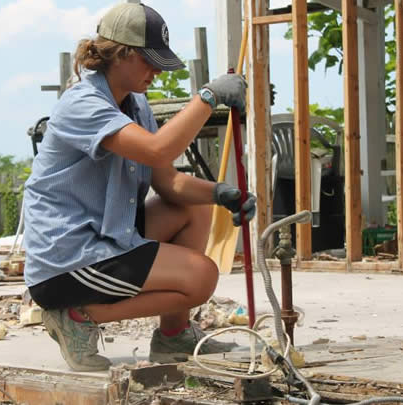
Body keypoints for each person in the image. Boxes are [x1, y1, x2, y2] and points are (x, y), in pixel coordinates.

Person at [22, 2, 255, 372]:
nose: (156, 73)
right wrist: (207, 97)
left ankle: (174, 336)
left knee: (194, 208)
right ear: (122, 54)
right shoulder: (83, 103)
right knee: (201, 276)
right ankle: (75, 317)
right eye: (149, 62)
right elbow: (158, 148)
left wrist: (220, 194)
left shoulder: (136, 105)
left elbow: (169, 181)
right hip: (68, 257)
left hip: (105, 234)